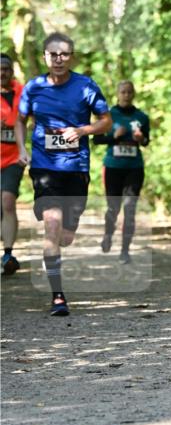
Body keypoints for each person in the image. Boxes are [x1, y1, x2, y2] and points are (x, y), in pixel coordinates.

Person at [15, 33, 111, 316]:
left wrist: (82, 130)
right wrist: (22, 148)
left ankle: (55, 254)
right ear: (45, 56)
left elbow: (106, 121)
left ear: (72, 57)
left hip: (76, 168)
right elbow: (20, 120)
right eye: (53, 54)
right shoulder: (33, 88)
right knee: (52, 226)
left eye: (64, 54)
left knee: (66, 236)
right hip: (45, 168)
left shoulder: (85, 86)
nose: (58, 59)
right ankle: (58, 296)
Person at [93, 80, 150, 263]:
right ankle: (108, 234)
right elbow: (97, 140)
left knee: (130, 208)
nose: (126, 95)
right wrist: (113, 137)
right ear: (118, 94)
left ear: (133, 94)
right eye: (123, 92)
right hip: (113, 168)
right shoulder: (108, 115)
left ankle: (125, 250)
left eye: (129, 92)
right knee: (113, 207)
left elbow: (147, 141)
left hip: (134, 168)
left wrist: (141, 139)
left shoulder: (141, 117)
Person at [1, 53, 25, 275]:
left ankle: (8, 253)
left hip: (13, 158)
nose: (2, 73)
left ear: (12, 71)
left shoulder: (23, 92)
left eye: (6, 68)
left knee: (7, 202)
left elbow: (32, 119)